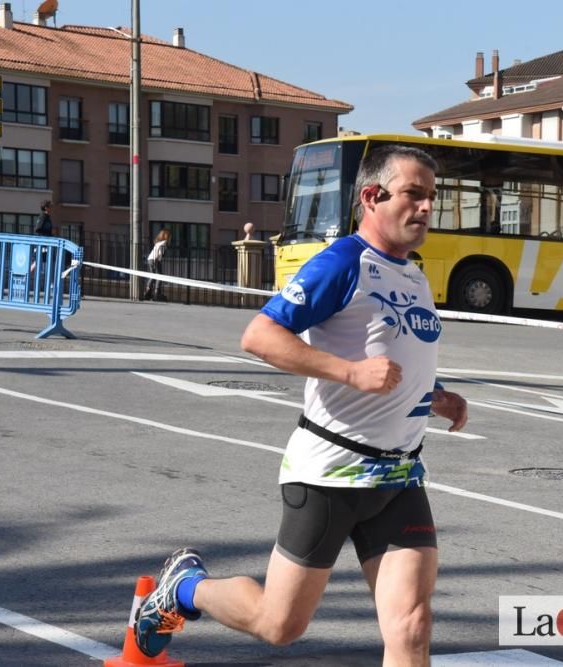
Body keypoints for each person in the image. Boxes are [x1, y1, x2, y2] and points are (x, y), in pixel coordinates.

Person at [135, 145, 468, 665]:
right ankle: (184, 590)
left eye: (432, 196)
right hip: (330, 473)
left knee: (412, 625)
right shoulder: (340, 263)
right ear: (372, 197)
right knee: (280, 624)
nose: (427, 208)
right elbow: (260, 336)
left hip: (398, 476)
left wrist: (436, 396)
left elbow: (392, 348)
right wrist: (350, 373)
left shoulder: (413, 273)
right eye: (414, 195)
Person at [143, 228, 170, 301]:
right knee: (159, 276)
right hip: (155, 259)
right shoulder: (164, 242)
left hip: (150, 259)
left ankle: (148, 290)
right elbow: (160, 252)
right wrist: (158, 259)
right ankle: (157, 292)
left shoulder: (158, 242)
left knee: (153, 275)